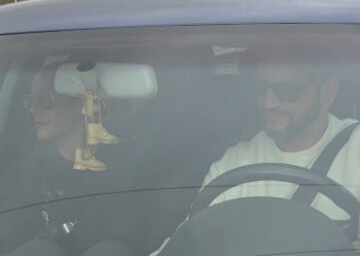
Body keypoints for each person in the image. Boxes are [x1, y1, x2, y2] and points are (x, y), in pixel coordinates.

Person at [149, 60, 360, 255]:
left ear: (327, 92)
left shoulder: (355, 147)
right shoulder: (233, 164)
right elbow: (191, 242)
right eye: (260, 89)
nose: (268, 102)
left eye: (286, 92)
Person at [0, 63, 136, 256]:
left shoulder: (125, 172)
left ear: (83, 104)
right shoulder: (24, 174)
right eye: (29, 101)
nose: (33, 110)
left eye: (47, 99)